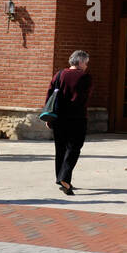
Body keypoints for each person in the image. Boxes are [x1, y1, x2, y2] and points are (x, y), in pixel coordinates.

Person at [47, 50, 92, 195]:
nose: (86, 65)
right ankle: (65, 178)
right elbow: (85, 97)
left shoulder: (59, 74)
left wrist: (49, 118)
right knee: (73, 148)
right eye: (86, 62)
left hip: (58, 117)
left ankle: (61, 178)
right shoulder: (85, 77)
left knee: (60, 148)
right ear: (80, 62)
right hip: (77, 118)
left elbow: (49, 95)